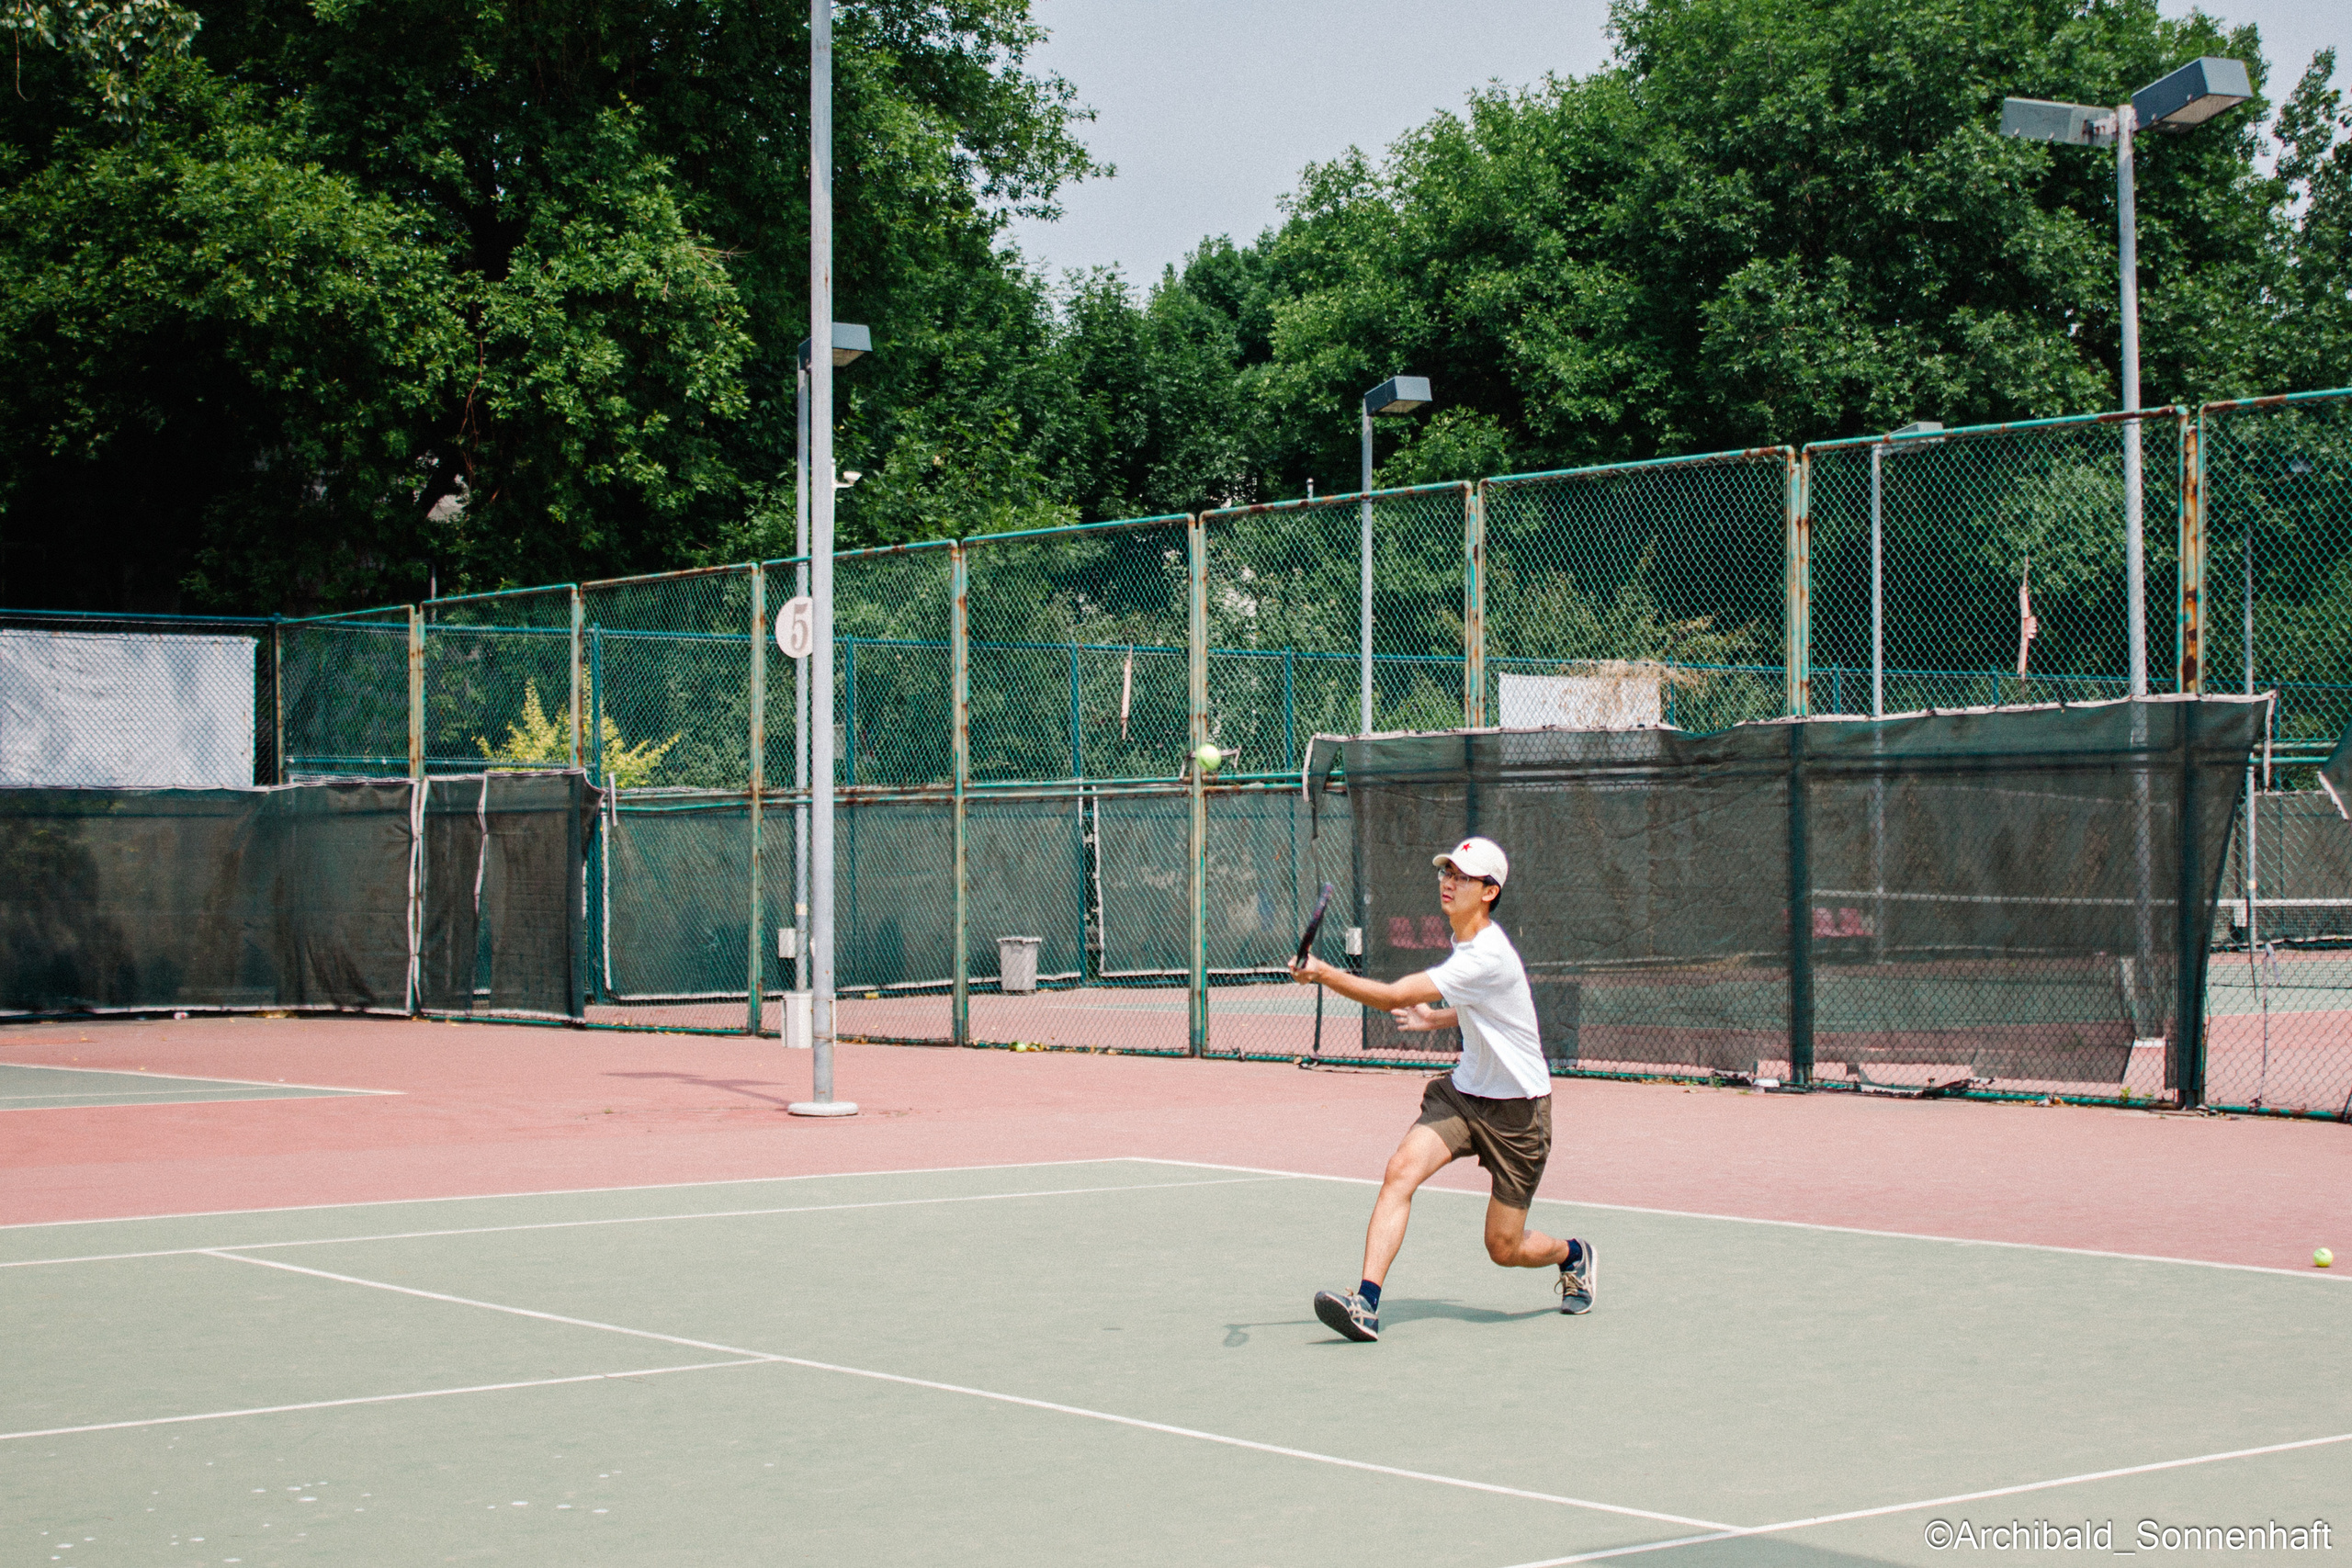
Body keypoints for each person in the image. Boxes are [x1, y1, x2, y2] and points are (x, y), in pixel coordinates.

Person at [1288, 835, 1591, 1341]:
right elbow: (1493, 1008)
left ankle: (1573, 1254)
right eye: (1445, 873)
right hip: (1464, 1094)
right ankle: (1365, 1302)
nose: (1448, 883)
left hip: (1520, 1114)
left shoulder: (1486, 954)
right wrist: (1439, 1020)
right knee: (1400, 1172)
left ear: (1489, 891)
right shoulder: (1466, 943)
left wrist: (1323, 973)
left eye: (1462, 876)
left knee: (1504, 1248)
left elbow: (1390, 997)